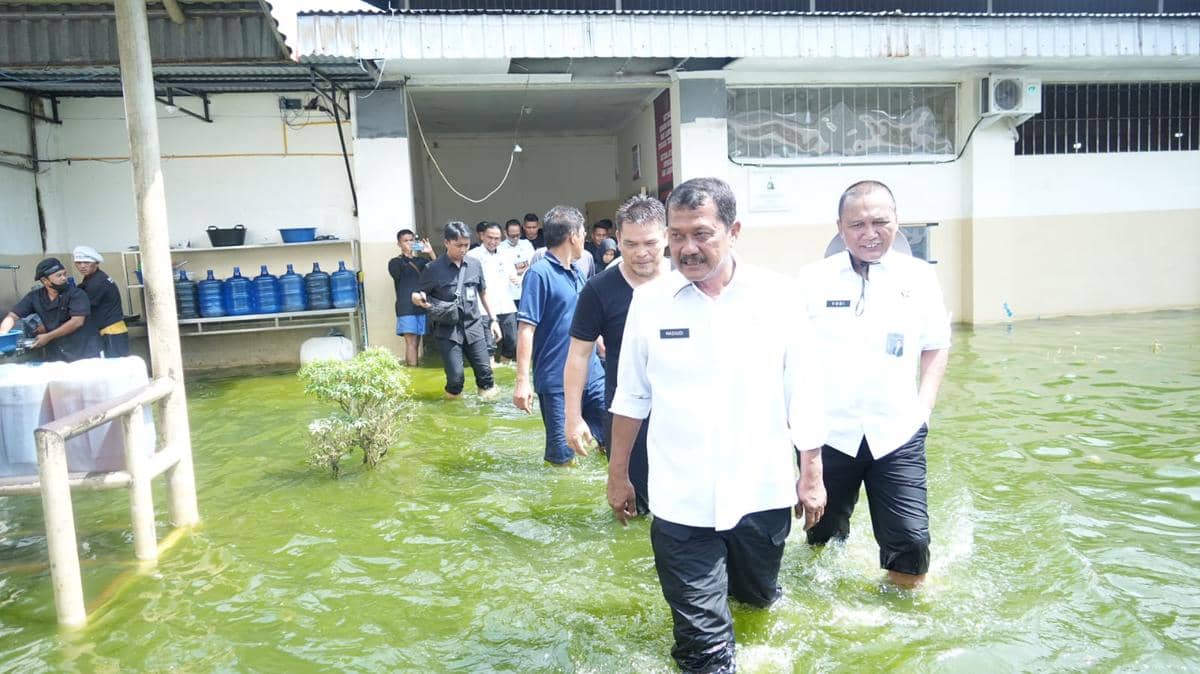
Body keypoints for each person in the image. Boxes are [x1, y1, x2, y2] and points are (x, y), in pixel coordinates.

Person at [607, 177, 827, 673]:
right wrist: (618, 474)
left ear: (734, 231)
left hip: (762, 494)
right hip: (681, 501)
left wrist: (810, 473)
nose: (687, 248)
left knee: (756, 605)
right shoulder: (650, 302)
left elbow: (805, 392)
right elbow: (632, 397)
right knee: (704, 649)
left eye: (702, 234)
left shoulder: (778, 296)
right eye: (677, 235)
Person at [799, 180, 951, 589]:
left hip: (898, 432)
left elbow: (936, 345)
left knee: (912, 544)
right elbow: (792, 359)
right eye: (857, 224)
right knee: (822, 539)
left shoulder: (919, 278)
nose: (870, 233)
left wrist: (924, 410)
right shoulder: (812, 280)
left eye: (880, 222)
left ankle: (903, 624)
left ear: (897, 221)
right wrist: (803, 446)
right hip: (831, 435)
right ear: (840, 227)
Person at [564, 195, 667, 515]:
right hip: (625, 412)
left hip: (681, 408)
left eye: (650, 242)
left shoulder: (688, 281)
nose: (641, 253)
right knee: (633, 505)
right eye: (631, 243)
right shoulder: (599, 289)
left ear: (666, 236)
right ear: (618, 239)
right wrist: (573, 417)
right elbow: (579, 354)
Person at [512, 205, 607, 466]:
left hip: (593, 375)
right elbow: (526, 329)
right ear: (573, 235)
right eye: (584, 231)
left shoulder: (577, 271)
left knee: (611, 440)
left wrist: (601, 343)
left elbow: (581, 319)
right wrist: (522, 381)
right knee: (562, 460)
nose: (586, 236)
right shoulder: (538, 274)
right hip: (556, 381)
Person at [412, 221, 503, 400]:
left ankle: (487, 417)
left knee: (486, 374)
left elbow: (483, 292)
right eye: (458, 245)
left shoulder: (475, 264)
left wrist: (494, 320)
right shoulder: (433, 268)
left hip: (474, 326)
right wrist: (417, 298)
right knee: (456, 379)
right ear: (446, 243)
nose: (463, 249)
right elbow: (420, 291)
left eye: (466, 245)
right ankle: (452, 412)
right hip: (448, 330)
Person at [0, 257, 100, 362]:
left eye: (64, 274)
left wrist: (48, 336)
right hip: (57, 354)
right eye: (59, 275)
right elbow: (12, 316)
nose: (64, 278)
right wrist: (2, 334)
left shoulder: (76, 294)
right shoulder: (35, 297)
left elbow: (77, 322)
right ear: (45, 280)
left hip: (84, 351)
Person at [467, 222, 519, 362]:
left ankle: (503, 367)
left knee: (512, 342)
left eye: (497, 238)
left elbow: (512, 274)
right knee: (488, 345)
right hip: (484, 308)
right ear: (482, 236)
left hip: (506, 305)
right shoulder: (473, 255)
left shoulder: (506, 254)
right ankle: (490, 375)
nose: (493, 241)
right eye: (490, 237)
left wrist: (514, 278)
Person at [388, 229, 436, 366]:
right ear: (399, 244)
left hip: (420, 305)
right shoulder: (395, 262)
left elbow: (438, 269)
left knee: (417, 342)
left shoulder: (421, 261)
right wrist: (407, 256)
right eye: (406, 241)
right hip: (405, 307)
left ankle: (412, 370)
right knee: (411, 342)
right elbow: (396, 275)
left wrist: (430, 252)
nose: (409, 243)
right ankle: (413, 372)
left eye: (411, 240)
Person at [72, 245, 129, 357]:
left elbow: (83, 308)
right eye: (78, 263)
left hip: (111, 332)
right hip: (108, 330)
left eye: (86, 262)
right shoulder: (93, 278)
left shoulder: (97, 282)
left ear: (96, 263)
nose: (82, 266)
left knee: (115, 367)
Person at [500, 219, 535, 303]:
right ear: (505, 233)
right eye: (512, 236)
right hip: (510, 293)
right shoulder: (499, 248)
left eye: (518, 235)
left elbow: (533, 264)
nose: (515, 238)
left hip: (527, 290)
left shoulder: (526, 244)